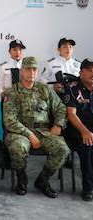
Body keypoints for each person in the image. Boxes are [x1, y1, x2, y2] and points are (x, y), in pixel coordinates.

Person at [3, 56, 69, 198]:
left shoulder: (45, 90)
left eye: (34, 69)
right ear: (22, 71)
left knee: (62, 149)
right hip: (19, 132)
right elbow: (9, 120)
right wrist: (30, 135)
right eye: (28, 69)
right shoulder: (12, 92)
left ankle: (43, 180)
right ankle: (22, 178)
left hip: (43, 131)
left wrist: (58, 124)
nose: (31, 72)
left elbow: (61, 108)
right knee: (18, 147)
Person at [64, 58, 93, 201]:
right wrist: (84, 131)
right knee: (87, 146)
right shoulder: (73, 87)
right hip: (76, 128)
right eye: (89, 70)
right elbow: (71, 114)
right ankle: (88, 188)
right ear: (81, 72)